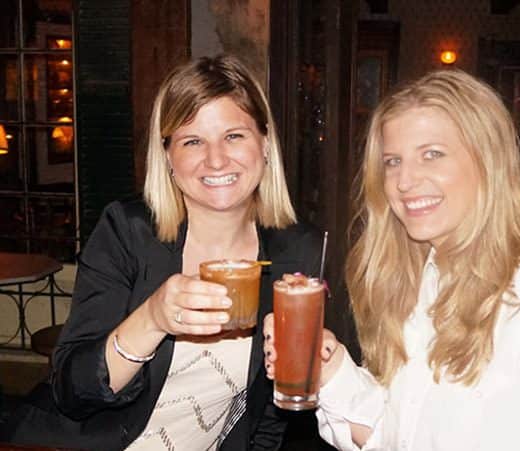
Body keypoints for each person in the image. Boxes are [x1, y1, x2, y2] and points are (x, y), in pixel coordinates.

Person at [2, 54, 322, 451]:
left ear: (265, 142)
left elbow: (268, 421)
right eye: (193, 141)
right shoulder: (128, 231)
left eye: (234, 136)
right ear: (168, 156)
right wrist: (152, 318)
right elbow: (72, 392)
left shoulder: (298, 251)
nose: (216, 159)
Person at [264, 69, 520, 451]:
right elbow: (399, 437)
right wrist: (329, 367)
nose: (404, 181)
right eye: (392, 161)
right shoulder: (427, 278)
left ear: (488, 163)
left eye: (432, 154)